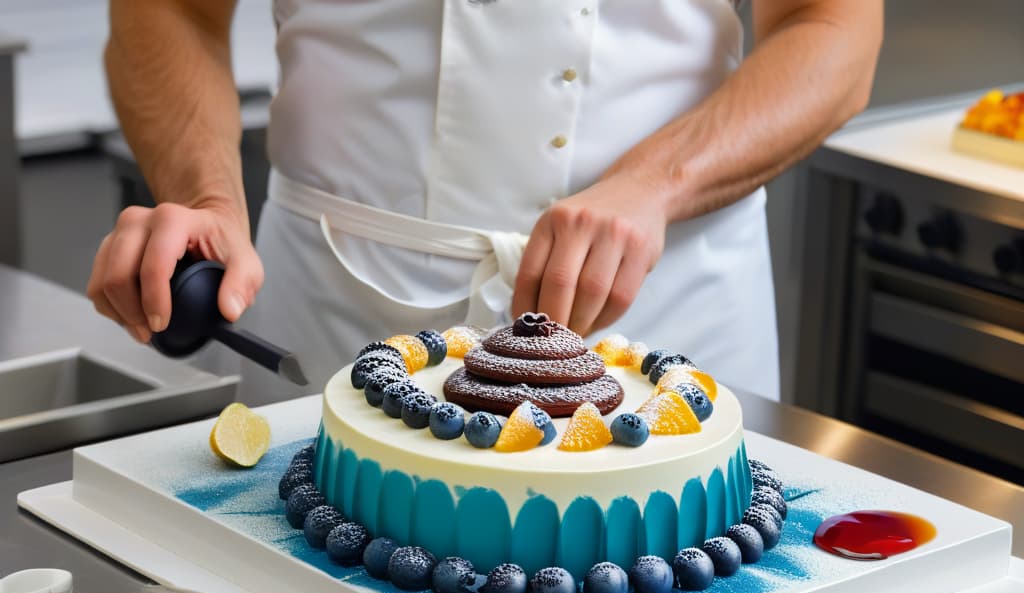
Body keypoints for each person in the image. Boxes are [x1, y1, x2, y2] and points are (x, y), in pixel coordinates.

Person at [88, 0, 882, 404]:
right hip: (336, 316)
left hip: (665, 306)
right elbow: (170, 11)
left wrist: (659, 181)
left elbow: (834, 28)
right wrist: (205, 196)